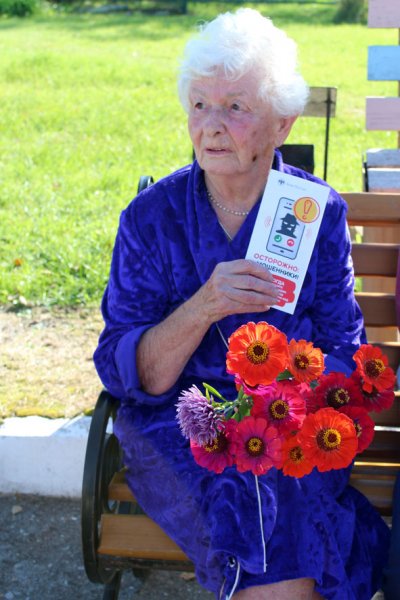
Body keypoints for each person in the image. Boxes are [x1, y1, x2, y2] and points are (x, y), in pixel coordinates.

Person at [94, 9, 390, 600]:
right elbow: (129, 371)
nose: (211, 126)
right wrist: (204, 305)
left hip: (290, 425)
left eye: (235, 107)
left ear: (281, 124)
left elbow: (343, 347)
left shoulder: (311, 211)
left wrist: (280, 408)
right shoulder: (152, 219)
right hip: (183, 426)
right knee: (266, 522)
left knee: (276, 498)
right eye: (200, 105)